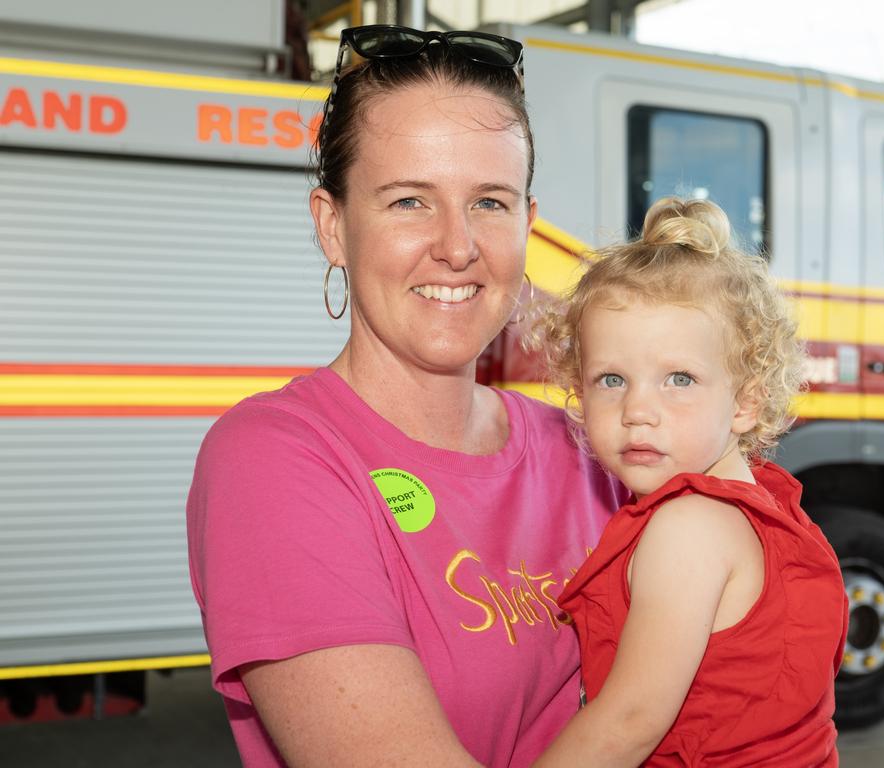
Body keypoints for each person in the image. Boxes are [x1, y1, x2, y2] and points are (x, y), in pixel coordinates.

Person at [185, 26, 622, 768]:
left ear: (528, 223)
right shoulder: (276, 461)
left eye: (489, 201)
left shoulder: (589, 450)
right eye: (410, 202)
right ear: (333, 226)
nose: (457, 247)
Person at [533, 198, 849, 767]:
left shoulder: (688, 527)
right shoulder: (769, 504)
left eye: (679, 379)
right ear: (577, 391)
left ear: (746, 402)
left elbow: (629, 723)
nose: (637, 410)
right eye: (611, 379)